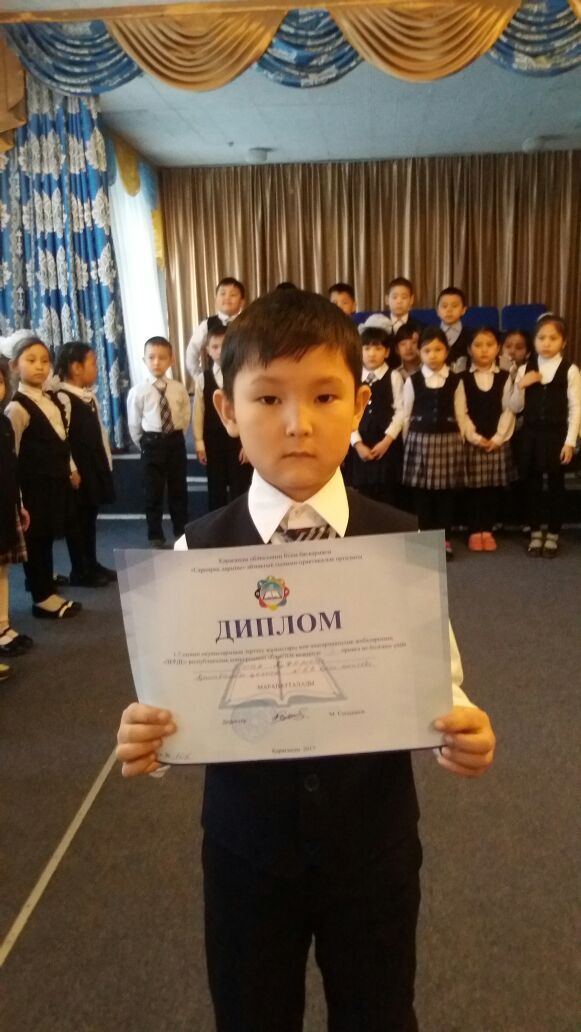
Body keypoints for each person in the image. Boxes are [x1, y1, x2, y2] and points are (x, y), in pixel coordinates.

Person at [117, 290, 496, 1032]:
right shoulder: (197, 551)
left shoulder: (400, 544)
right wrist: (148, 739)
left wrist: (465, 726)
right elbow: (174, 699)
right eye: (267, 398)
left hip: (374, 846)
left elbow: (439, 681)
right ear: (226, 411)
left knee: (379, 1011)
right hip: (246, 851)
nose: (298, 423)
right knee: (251, 1013)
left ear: (359, 405)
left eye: (324, 396)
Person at [5, 336, 82, 619]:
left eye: (45, 361)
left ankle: (46, 585)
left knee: (47, 535)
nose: (39, 366)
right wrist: (18, 497)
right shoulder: (17, 407)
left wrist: (70, 468)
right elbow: (11, 456)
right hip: (32, 486)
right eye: (31, 360)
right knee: (36, 538)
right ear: (14, 366)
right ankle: (41, 597)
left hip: (54, 482)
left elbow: (61, 440)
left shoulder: (50, 399)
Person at [509, 315, 581, 556]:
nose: (547, 343)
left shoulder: (570, 370)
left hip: (556, 435)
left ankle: (553, 533)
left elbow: (576, 408)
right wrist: (521, 385)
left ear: (563, 342)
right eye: (541, 338)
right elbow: (515, 407)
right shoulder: (524, 369)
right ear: (534, 341)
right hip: (530, 435)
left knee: (556, 486)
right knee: (532, 486)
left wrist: (570, 442)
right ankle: (535, 531)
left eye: (553, 338)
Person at [402, 326, 468, 560]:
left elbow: (461, 413)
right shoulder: (413, 381)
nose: (433, 355)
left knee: (445, 495)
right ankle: (424, 539)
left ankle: (444, 539)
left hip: (448, 442)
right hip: (419, 441)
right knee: (422, 495)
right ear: (420, 353)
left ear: (446, 352)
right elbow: (406, 414)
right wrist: (408, 443)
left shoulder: (455, 380)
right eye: (427, 350)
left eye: (438, 350)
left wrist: (461, 441)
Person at [54, 342, 116, 587]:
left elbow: (100, 432)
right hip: (79, 469)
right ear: (76, 368)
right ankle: (80, 570)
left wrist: (106, 461)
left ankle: (91, 562)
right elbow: (62, 437)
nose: (97, 368)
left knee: (90, 517)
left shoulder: (88, 396)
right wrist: (71, 468)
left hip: (93, 465)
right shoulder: (64, 397)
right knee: (78, 521)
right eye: (93, 363)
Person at [127, 336, 191, 549]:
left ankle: (181, 530)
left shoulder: (178, 388)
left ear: (171, 361)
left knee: (178, 489)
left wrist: (176, 436)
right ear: (144, 360)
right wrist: (145, 444)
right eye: (151, 357)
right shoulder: (139, 391)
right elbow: (134, 423)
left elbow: (185, 415)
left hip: (175, 443)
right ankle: (155, 534)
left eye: (162, 358)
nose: (156, 362)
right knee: (153, 491)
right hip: (151, 444)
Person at [462, 329, 515, 551]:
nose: (484, 350)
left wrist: (498, 437)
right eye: (478, 345)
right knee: (473, 489)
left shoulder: (505, 377)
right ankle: (474, 530)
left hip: (496, 441)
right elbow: (461, 412)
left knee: (492, 488)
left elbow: (509, 409)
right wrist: (475, 437)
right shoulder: (462, 378)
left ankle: (488, 529)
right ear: (469, 349)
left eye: (489, 344)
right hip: (473, 441)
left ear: (498, 348)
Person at [193, 318, 252, 511]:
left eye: (225, 345)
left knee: (240, 484)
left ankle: (241, 520)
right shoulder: (203, 378)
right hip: (213, 439)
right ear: (208, 351)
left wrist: (248, 443)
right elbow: (198, 412)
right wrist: (199, 442)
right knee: (215, 485)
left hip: (238, 439)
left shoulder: (242, 375)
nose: (220, 351)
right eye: (215, 347)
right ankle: (217, 522)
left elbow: (249, 410)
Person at [347, 326, 404, 506]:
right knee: (363, 498)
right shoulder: (353, 377)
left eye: (378, 348)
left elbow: (401, 411)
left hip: (386, 445)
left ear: (387, 352)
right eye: (367, 348)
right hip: (361, 444)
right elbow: (347, 412)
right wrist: (357, 444)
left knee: (388, 496)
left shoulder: (394, 376)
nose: (372, 353)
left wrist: (387, 441)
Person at [0, 360, 34, 656]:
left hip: (5, 505)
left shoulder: (4, 423)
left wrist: (18, 504)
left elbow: (12, 467)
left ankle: (3, 625)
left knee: (3, 567)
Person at [185, 277, 245, 386]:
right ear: (216, 300)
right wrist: (200, 378)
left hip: (243, 379)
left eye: (233, 295)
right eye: (222, 294)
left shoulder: (249, 323)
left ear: (242, 302)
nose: (227, 297)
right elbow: (191, 352)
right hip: (215, 382)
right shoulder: (206, 324)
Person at [437, 286, 473, 372]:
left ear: (463, 310)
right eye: (444, 306)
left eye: (454, 306)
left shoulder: (471, 335)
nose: (449, 310)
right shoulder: (430, 335)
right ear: (437, 311)